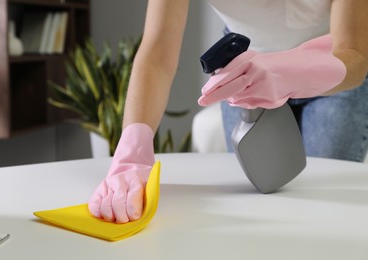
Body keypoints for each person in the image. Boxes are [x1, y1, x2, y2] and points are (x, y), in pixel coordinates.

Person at [88, 0, 368, 223]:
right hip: (244, 68)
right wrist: (134, 146)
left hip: (330, 66)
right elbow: (158, 52)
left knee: (325, 200)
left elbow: (355, 55)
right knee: (255, 198)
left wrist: (294, 70)